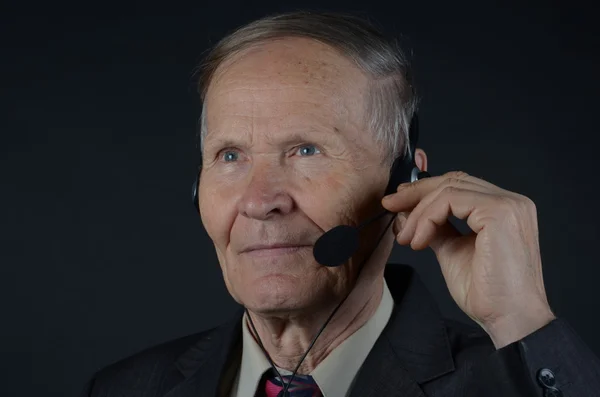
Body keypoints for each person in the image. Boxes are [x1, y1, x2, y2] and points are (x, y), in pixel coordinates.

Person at [81, 11, 600, 397]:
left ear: (405, 180)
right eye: (230, 155)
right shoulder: (123, 388)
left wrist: (523, 320)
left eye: (306, 151)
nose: (259, 202)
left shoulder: (510, 382)